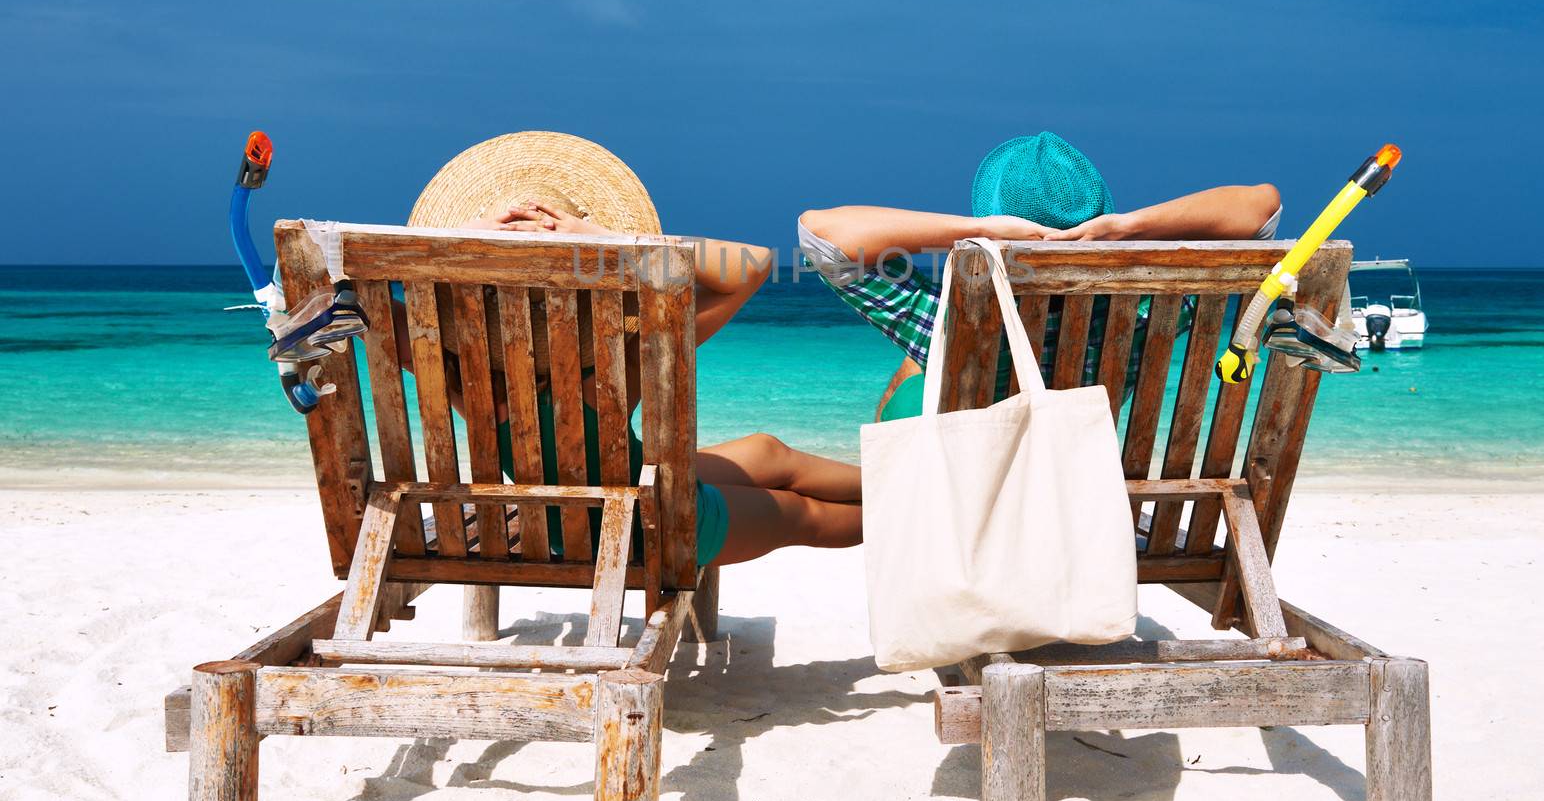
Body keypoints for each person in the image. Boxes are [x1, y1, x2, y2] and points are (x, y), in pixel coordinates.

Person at [403, 132, 862, 568]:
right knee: (804, 514)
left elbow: (351, 293)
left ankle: (911, 483)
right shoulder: (618, 357)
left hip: (576, 523)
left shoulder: (468, 375)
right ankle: (915, 513)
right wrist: (610, 241)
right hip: (646, 526)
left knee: (768, 452)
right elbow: (753, 265)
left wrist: (461, 239)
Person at [798, 130, 1281, 413]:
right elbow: (1261, 208)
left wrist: (978, 229)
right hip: (1078, 503)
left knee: (920, 363)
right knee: (925, 357)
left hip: (964, 510)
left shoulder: (940, 317)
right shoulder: (1145, 315)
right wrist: (1127, 228)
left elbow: (822, 232)